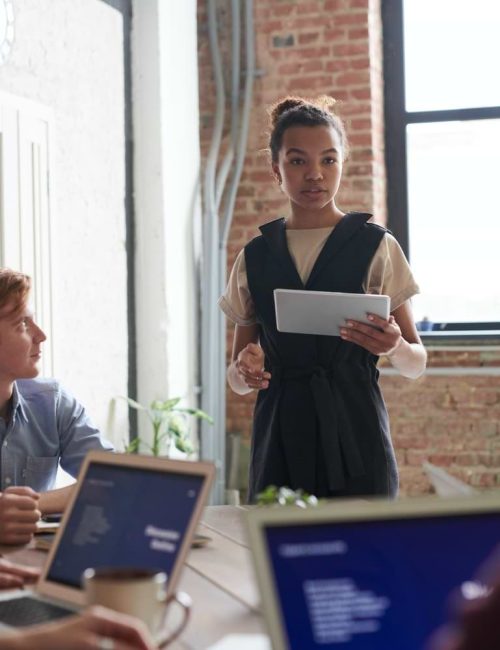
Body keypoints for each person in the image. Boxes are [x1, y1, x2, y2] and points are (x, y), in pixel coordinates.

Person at [219, 95, 427, 502]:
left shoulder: (377, 246)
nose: (315, 174)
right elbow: (237, 380)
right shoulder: (255, 257)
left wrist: (395, 346)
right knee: (283, 560)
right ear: (276, 169)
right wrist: (244, 372)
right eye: (298, 161)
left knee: (366, 560)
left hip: (357, 434)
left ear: (342, 164)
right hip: (279, 435)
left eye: (328, 160)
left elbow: (416, 363)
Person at [0, 267, 113, 533]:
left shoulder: (52, 402)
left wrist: (26, 505)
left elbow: (112, 479)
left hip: (33, 560)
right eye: (23, 325)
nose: (41, 335)